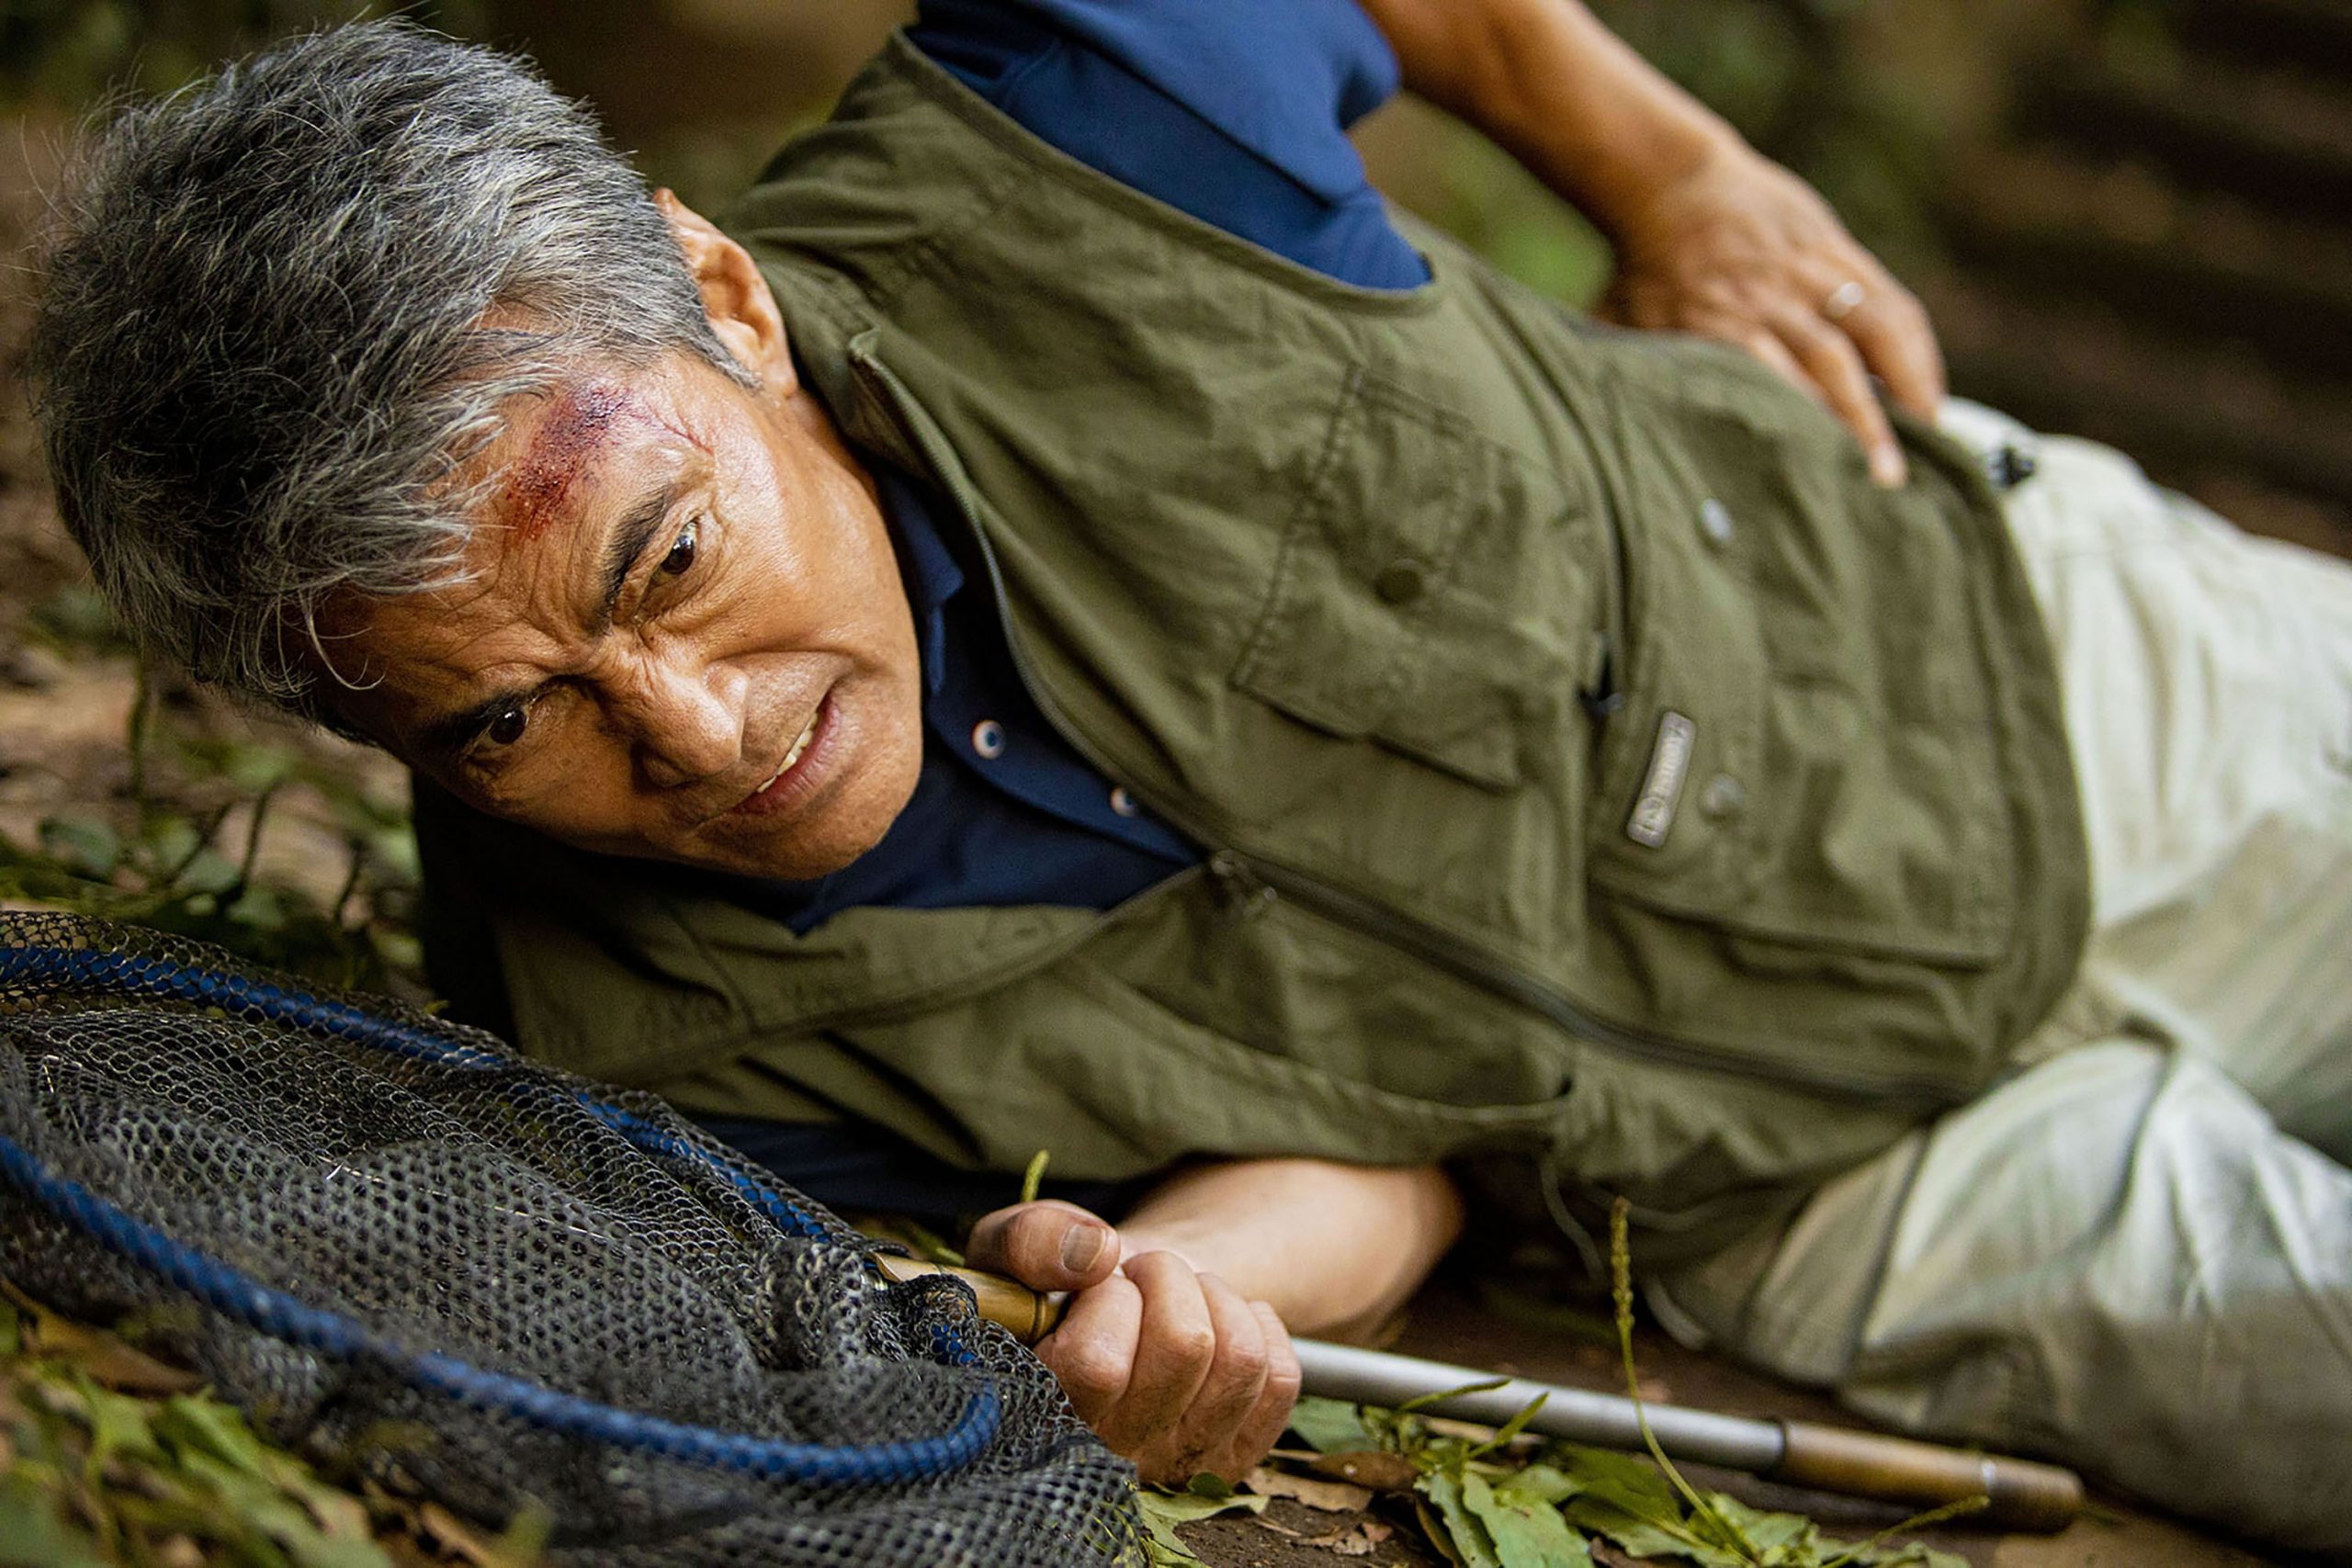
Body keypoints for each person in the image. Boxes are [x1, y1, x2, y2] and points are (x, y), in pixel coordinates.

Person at [25, 1, 2350, 1551]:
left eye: (669, 555)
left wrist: (1668, 160)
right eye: (503, 722)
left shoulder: (1054, 134)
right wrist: (1181, 1283)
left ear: (718, 296)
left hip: (2072, 684)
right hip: (1820, 1188)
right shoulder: (627, 1047)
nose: (700, 741)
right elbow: (1405, 1161)